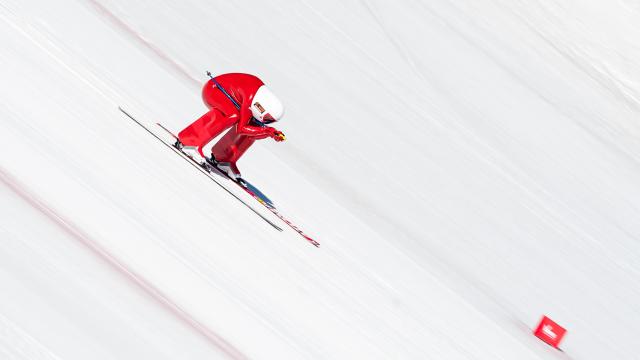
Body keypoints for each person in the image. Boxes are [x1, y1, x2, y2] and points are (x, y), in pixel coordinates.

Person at [176, 73, 285, 181]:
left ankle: (224, 157)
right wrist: (267, 131)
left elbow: (255, 131)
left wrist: (269, 132)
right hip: (214, 90)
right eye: (267, 119)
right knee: (233, 115)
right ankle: (190, 141)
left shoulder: (258, 101)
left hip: (231, 97)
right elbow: (242, 129)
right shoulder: (251, 99)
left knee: (254, 125)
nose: (266, 122)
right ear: (262, 108)